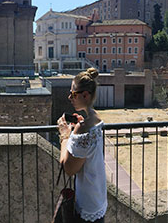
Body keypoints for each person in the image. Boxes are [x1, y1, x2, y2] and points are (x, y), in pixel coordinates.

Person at [57, 68, 106, 222]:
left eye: (73, 94)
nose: (69, 97)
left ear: (85, 95)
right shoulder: (96, 119)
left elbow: (69, 169)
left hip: (86, 205)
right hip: (98, 198)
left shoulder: (83, 128)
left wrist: (65, 135)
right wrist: (75, 133)